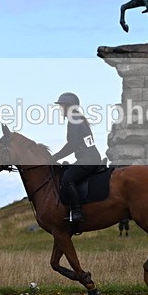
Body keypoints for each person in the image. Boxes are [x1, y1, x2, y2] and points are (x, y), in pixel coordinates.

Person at [51, 92, 102, 223]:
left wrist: (55, 157)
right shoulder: (78, 118)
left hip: (88, 159)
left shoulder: (74, 119)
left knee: (67, 180)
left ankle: (77, 213)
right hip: (89, 157)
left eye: (61, 106)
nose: (60, 108)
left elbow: (72, 144)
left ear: (69, 106)